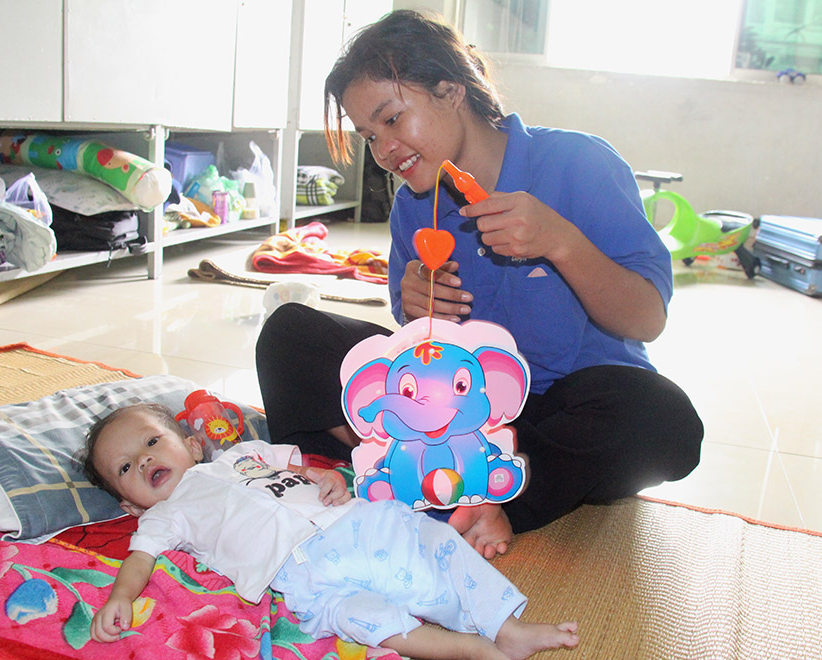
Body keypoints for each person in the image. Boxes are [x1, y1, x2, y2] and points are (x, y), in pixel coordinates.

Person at [255, 10, 705, 560]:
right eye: (370, 136)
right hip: (454, 410)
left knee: (662, 419)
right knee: (290, 332)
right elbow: (416, 348)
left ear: (451, 90)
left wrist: (561, 241)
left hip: (560, 414)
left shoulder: (577, 163)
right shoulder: (414, 205)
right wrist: (416, 308)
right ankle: (416, 472)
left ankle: (469, 491)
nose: (385, 151)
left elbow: (646, 320)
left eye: (393, 119)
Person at [81, 402, 579, 660]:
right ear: (130, 505)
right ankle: (468, 648)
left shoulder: (242, 454)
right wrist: (120, 597)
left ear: (191, 444)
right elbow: (139, 560)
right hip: (305, 575)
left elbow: (306, 470)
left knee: (436, 544)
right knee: (366, 620)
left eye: (151, 441)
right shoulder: (163, 516)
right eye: (126, 467)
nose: (143, 459)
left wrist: (327, 479)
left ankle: (505, 626)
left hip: (354, 524)